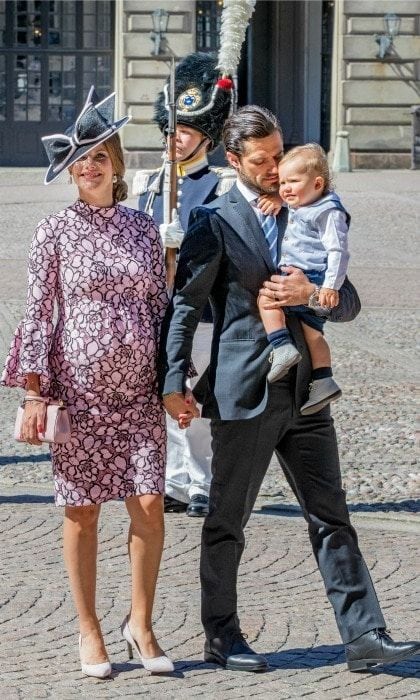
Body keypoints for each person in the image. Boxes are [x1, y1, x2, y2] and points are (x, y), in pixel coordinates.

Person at [159, 105, 420, 673]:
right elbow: (185, 305)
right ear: (234, 161)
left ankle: (365, 635)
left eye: (280, 154)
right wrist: (172, 379)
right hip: (244, 390)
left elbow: (345, 302)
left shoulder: (308, 210)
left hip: (306, 392)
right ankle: (221, 636)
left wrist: (309, 293)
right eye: (263, 160)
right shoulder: (214, 219)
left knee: (332, 516)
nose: (277, 169)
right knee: (227, 520)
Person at [1, 87, 174, 678]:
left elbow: (162, 307)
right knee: (83, 513)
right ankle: (89, 630)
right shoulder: (52, 232)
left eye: (101, 154)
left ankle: (141, 623)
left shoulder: (142, 229)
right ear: (69, 169)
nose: (91, 165)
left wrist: (176, 379)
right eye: (82, 158)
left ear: (118, 164)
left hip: (139, 395)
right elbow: (38, 312)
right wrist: (33, 391)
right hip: (79, 394)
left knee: (150, 506)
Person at [135, 53, 235, 517]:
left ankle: (205, 480)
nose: (176, 140)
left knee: (190, 399)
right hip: (157, 306)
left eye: (186, 133)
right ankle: (175, 478)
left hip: (199, 309)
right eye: (172, 132)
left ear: (206, 139)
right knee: (164, 393)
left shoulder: (220, 186)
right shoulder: (150, 184)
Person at [257, 143, 349, 415]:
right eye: (282, 182)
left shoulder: (329, 211)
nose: (284, 188)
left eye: (292, 182)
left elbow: (338, 250)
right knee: (313, 333)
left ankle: (281, 345)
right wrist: (280, 199)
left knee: (266, 297)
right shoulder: (308, 201)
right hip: (306, 273)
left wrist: (329, 286)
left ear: (318, 183)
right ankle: (323, 379)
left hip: (312, 276)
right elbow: (294, 200)